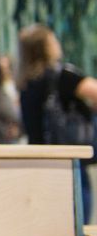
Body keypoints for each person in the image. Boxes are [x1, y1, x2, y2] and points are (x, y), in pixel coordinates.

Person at [17, 24, 97, 219]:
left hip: (38, 163)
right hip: (69, 163)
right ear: (45, 46)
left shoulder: (25, 84)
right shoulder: (64, 76)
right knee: (76, 230)